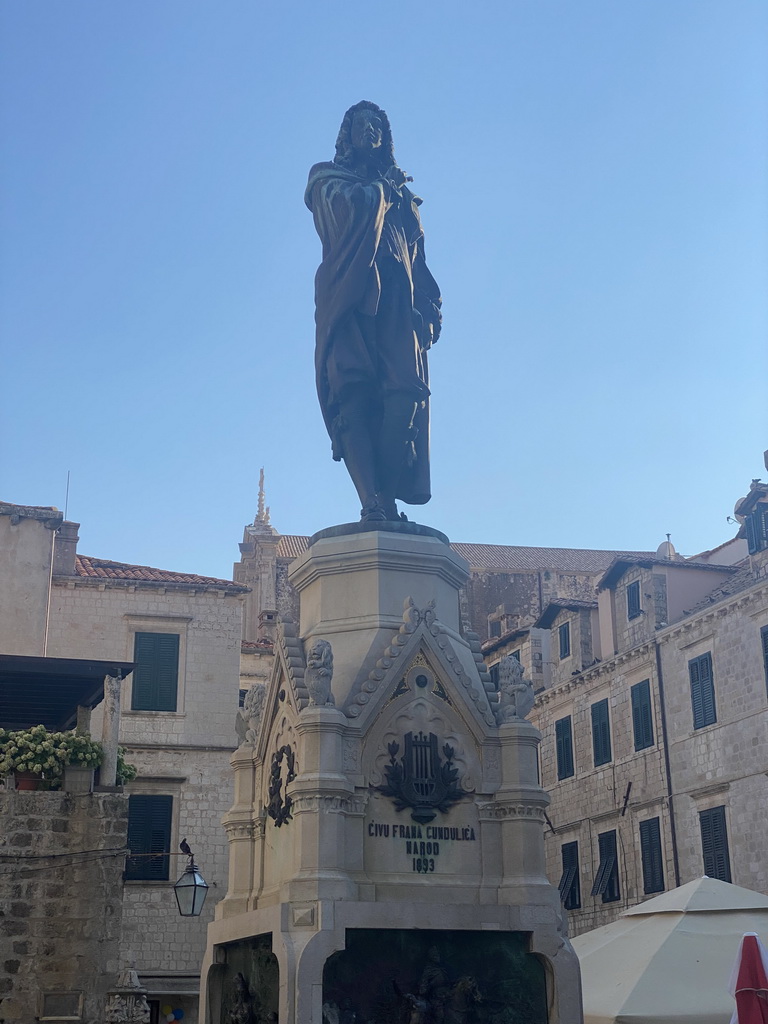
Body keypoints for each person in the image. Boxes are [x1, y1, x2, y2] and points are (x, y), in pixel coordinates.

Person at [305, 101, 442, 523]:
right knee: (353, 396)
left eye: (378, 124)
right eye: (362, 124)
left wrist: (430, 305)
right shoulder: (326, 178)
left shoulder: (404, 198)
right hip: (350, 301)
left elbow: (418, 259)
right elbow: (345, 214)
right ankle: (373, 502)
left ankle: (383, 494)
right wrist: (384, 191)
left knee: (405, 396)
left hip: (398, 307)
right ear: (347, 135)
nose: (371, 130)